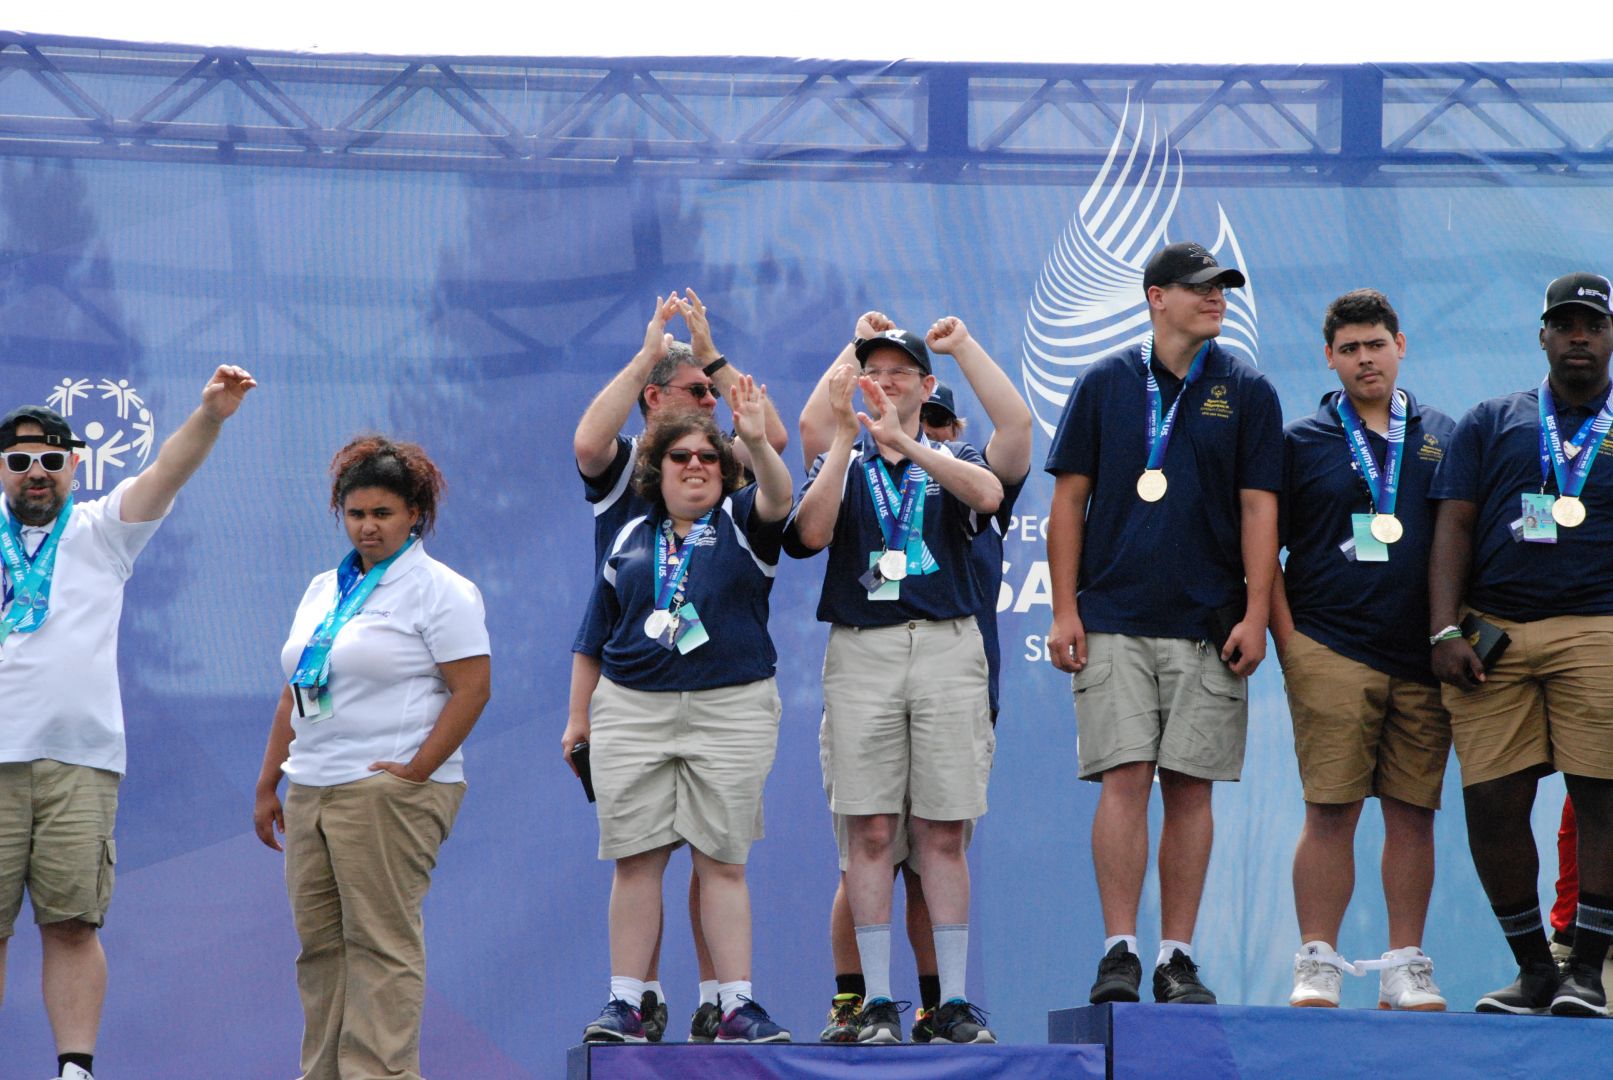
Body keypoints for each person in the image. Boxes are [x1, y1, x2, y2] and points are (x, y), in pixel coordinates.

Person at [0, 367, 255, 1080]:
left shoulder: (103, 531)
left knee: (73, 922)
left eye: (51, 459)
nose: (36, 473)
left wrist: (210, 414)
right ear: (2, 470)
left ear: (74, 465)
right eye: (20, 461)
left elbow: (167, 472)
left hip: (79, 761)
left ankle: (75, 1071)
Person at [1045, 241, 1282, 1006]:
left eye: (1222, 289)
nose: (1216, 299)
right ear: (1156, 297)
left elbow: (1258, 509)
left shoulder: (1245, 389)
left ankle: (1175, 956)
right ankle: (1118, 949)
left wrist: (1254, 612)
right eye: (1200, 288)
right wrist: (1062, 608)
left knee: (1189, 790)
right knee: (1123, 778)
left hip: (1208, 623)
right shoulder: (1104, 382)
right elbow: (1066, 503)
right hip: (1112, 615)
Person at [797, 315, 1031, 1042]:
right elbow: (808, 533)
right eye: (875, 369)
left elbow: (990, 494)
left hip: (946, 648)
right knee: (868, 830)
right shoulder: (840, 459)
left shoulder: (953, 453)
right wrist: (849, 423)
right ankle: (872, 1001)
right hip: (862, 651)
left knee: (942, 830)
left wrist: (909, 445)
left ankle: (952, 1000)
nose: (887, 380)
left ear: (926, 386)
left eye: (902, 371)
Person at [567, 290, 787, 1041]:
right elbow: (588, 444)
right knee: (637, 855)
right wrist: (649, 349)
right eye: (696, 396)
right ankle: (631, 998)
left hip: (726, 698)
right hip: (633, 696)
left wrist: (713, 358)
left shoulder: (739, 501)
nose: (700, 450)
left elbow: (777, 462)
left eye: (708, 453)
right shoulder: (625, 488)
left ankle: (730, 1001)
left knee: (719, 855)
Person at [253, 435, 492, 1079]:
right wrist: (268, 781)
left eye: (383, 513)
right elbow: (293, 691)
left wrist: (415, 772)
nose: (368, 526)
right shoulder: (321, 589)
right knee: (321, 950)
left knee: (381, 945)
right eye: (356, 513)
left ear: (415, 512)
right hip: (311, 787)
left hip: (387, 790)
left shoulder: (441, 590)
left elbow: (473, 690)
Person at [1428, 271, 1613, 1018]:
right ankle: (1534, 969)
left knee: (1601, 798)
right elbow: (1454, 526)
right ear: (1541, 334)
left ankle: (1588, 971)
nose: (1577, 337)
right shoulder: (1492, 420)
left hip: (1597, 627)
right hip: (1492, 632)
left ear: (1608, 338)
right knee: (1492, 805)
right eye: (1563, 324)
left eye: (1591, 326)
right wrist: (1443, 627)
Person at [1270, 290, 1454, 1010]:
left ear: (1399, 345)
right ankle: (1316, 959)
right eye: (1348, 348)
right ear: (1328, 358)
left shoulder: (1440, 435)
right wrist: (1288, 641)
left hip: (1420, 657)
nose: (1363, 358)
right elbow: (1262, 542)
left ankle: (1405, 964)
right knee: (1330, 809)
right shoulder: (1300, 441)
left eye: (1374, 343)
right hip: (1329, 646)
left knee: (1412, 811)